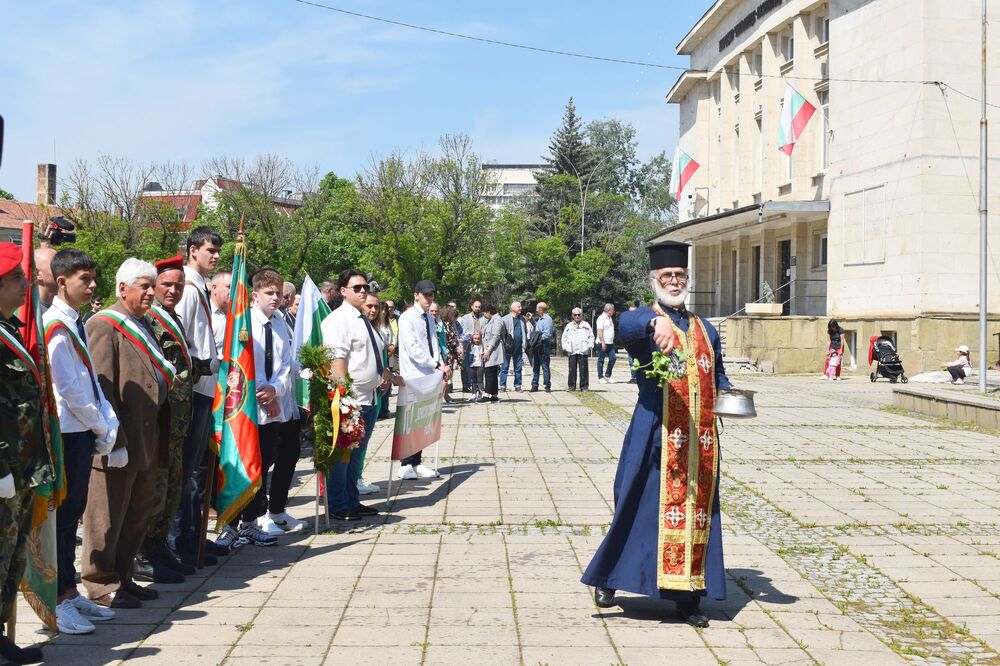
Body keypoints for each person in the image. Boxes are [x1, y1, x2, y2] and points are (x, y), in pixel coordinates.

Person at [582, 240, 732, 629]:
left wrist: (730, 394)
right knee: (634, 504)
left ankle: (687, 598)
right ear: (654, 280)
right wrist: (655, 322)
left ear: (687, 279)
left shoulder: (705, 328)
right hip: (654, 433)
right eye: (666, 275)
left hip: (698, 444)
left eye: (679, 275)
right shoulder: (643, 319)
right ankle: (608, 577)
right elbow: (623, 327)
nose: (673, 280)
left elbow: (718, 375)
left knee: (696, 515)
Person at [84, 258, 172, 610]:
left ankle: (124, 576)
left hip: (147, 437)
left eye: (153, 285)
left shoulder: (142, 323)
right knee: (106, 516)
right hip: (119, 439)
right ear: (123, 289)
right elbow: (102, 386)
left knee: (136, 514)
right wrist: (113, 441)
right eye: (143, 286)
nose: (151, 292)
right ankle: (99, 583)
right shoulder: (105, 326)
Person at [43, 248, 120, 634]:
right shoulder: (55, 326)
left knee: (71, 514)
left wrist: (104, 420)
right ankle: (56, 601)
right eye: (83, 280)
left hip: (81, 431)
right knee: (62, 518)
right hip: (67, 433)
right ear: (61, 282)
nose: (92, 286)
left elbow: (87, 380)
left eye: (92, 278)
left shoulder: (74, 321)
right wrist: (101, 424)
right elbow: (70, 389)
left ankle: (70, 592)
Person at [0, 242, 55, 664]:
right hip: (5, 467)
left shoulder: (11, 330)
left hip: (23, 468)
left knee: (11, 556)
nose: (26, 284)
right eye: (17, 278)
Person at [136, 256, 197, 585]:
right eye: (166, 285)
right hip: (161, 422)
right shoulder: (150, 321)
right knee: (156, 490)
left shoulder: (172, 318)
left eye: (178, 285)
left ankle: (159, 547)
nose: (173, 290)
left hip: (177, 422)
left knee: (172, 489)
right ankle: (144, 553)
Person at [174, 227, 225, 566]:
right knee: (188, 473)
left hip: (205, 389)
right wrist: (205, 365)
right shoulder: (189, 290)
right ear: (193, 250)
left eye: (218, 251)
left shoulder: (199, 288)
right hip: (194, 389)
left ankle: (195, 536)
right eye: (210, 250)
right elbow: (183, 342)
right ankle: (183, 541)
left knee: (196, 471)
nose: (216, 256)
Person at [321, 270, 388, 519]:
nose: (362, 291)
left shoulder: (361, 318)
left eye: (365, 287)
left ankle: (351, 499)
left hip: (369, 396)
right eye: (357, 287)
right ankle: (338, 505)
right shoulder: (339, 319)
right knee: (342, 456)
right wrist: (344, 396)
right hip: (351, 398)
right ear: (343, 291)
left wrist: (386, 376)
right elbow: (335, 357)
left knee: (356, 455)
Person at [396, 279, 450, 479]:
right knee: (410, 420)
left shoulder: (429, 318)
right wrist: (435, 364)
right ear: (416, 295)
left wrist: (440, 365)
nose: (429, 298)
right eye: (425, 295)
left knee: (422, 420)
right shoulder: (407, 318)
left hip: (429, 375)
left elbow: (434, 344)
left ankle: (416, 462)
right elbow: (414, 349)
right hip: (413, 375)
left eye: (431, 295)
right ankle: (405, 464)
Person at [562, 307, 594, 392]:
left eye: (579, 315)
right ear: (572, 316)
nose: (577, 316)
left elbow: (591, 336)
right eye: (575, 315)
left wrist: (589, 346)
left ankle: (584, 386)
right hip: (572, 351)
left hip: (583, 350)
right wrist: (566, 347)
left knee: (584, 370)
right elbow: (564, 338)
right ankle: (571, 386)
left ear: (581, 315)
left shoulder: (586, 325)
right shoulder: (569, 326)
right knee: (572, 369)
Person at [499, 301, 528, 392]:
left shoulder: (522, 319)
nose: (521, 308)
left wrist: (524, 343)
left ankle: (518, 385)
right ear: (513, 308)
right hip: (507, 348)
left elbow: (525, 331)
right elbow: (501, 333)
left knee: (518, 367)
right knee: (505, 367)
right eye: (519, 306)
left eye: (520, 306)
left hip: (518, 347)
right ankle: (502, 386)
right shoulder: (505, 319)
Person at [458, 297, 483, 392]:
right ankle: (466, 385)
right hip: (468, 345)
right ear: (472, 307)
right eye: (476, 306)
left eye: (479, 307)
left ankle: (478, 385)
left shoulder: (483, 318)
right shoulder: (465, 318)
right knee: (466, 366)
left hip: (479, 345)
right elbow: (462, 331)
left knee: (478, 366)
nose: (477, 308)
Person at [480, 303, 504, 402]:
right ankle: (494, 394)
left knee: (489, 372)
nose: (484, 316)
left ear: (489, 312)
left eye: (484, 314)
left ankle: (487, 394)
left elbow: (495, 336)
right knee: (493, 372)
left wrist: (488, 350)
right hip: (490, 349)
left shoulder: (497, 320)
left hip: (493, 350)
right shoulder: (491, 320)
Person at [530, 302, 553, 392]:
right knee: (535, 365)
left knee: (545, 366)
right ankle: (535, 385)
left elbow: (547, 334)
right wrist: (531, 320)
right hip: (537, 344)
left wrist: (537, 338)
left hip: (544, 345)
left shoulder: (547, 319)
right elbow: (537, 329)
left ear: (541, 309)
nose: (536, 310)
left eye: (537, 308)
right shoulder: (539, 319)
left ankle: (547, 385)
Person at [208, 270, 232, 359]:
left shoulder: (237, 316)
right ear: (214, 288)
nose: (234, 292)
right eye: (229, 287)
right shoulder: (205, 316)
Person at [595, 303, 617, 384]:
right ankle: (600, 377)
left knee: (613, 358)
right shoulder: (601, 318)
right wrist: (603, 342)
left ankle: (607, 375)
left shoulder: (609, 318)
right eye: (613, 309)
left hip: (610, 343)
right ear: (609, 310)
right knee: (601, 360)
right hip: (602, 342)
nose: (614, 311)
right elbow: (600, 330)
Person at [467, 331, 485, 401]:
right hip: (472, 365)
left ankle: (480, 394)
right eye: (475, 338)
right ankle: (473, 394)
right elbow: (467, 355)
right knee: (473, 380)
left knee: (480, 380)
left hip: (480, 365)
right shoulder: (470, 346)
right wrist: (467, 365)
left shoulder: (482, 346)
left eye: (478, 339)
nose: (476, 340)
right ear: (472, 339)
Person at [625, 300, 639, 384]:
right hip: (630, 343)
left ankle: (638, 377)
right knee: (631, 361)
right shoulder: (627, 321)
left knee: (637, 361)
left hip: (638, 344)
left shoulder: (639, 321)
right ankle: (633, 377)